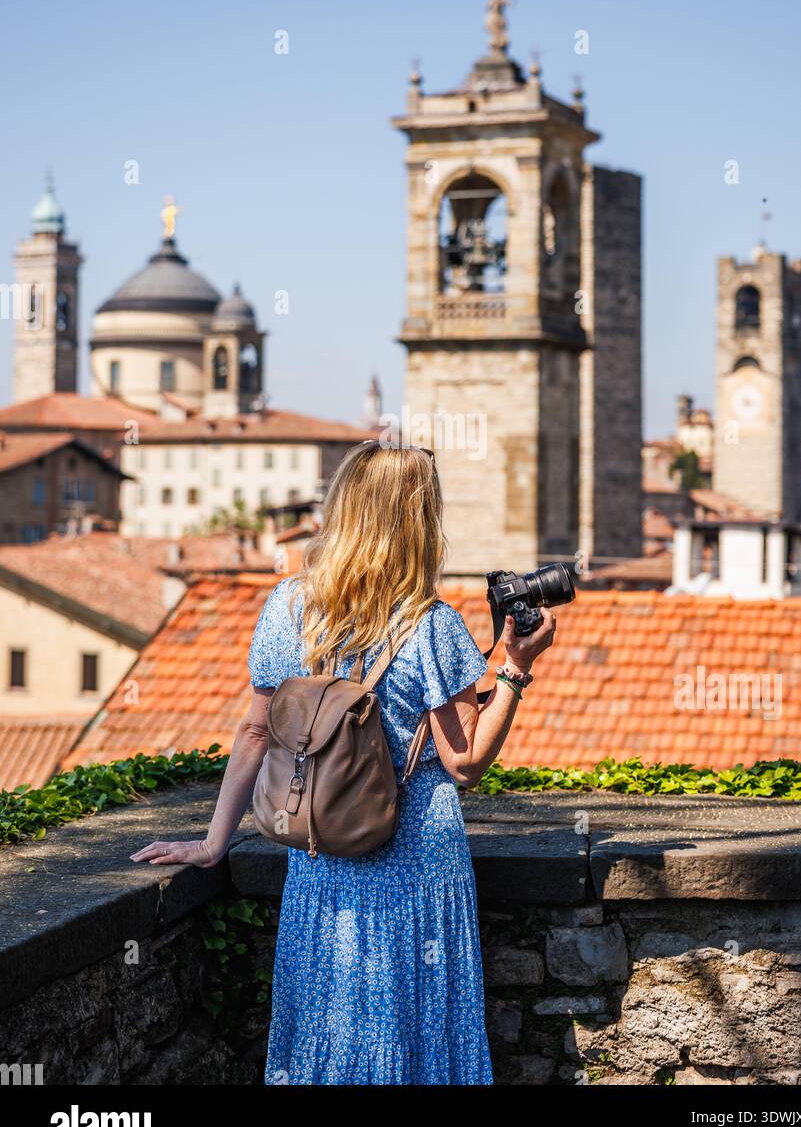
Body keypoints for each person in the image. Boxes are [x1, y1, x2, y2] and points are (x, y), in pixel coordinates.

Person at [131, 440, 556, 1085]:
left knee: (326, 1034)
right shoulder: (430, 623)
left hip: (319, 858)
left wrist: (214, 844)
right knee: (414, 1037)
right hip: (416, 862)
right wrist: (517, 670)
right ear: (417, 524)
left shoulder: (291, 608)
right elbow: (464, 762)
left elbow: (254, 733)